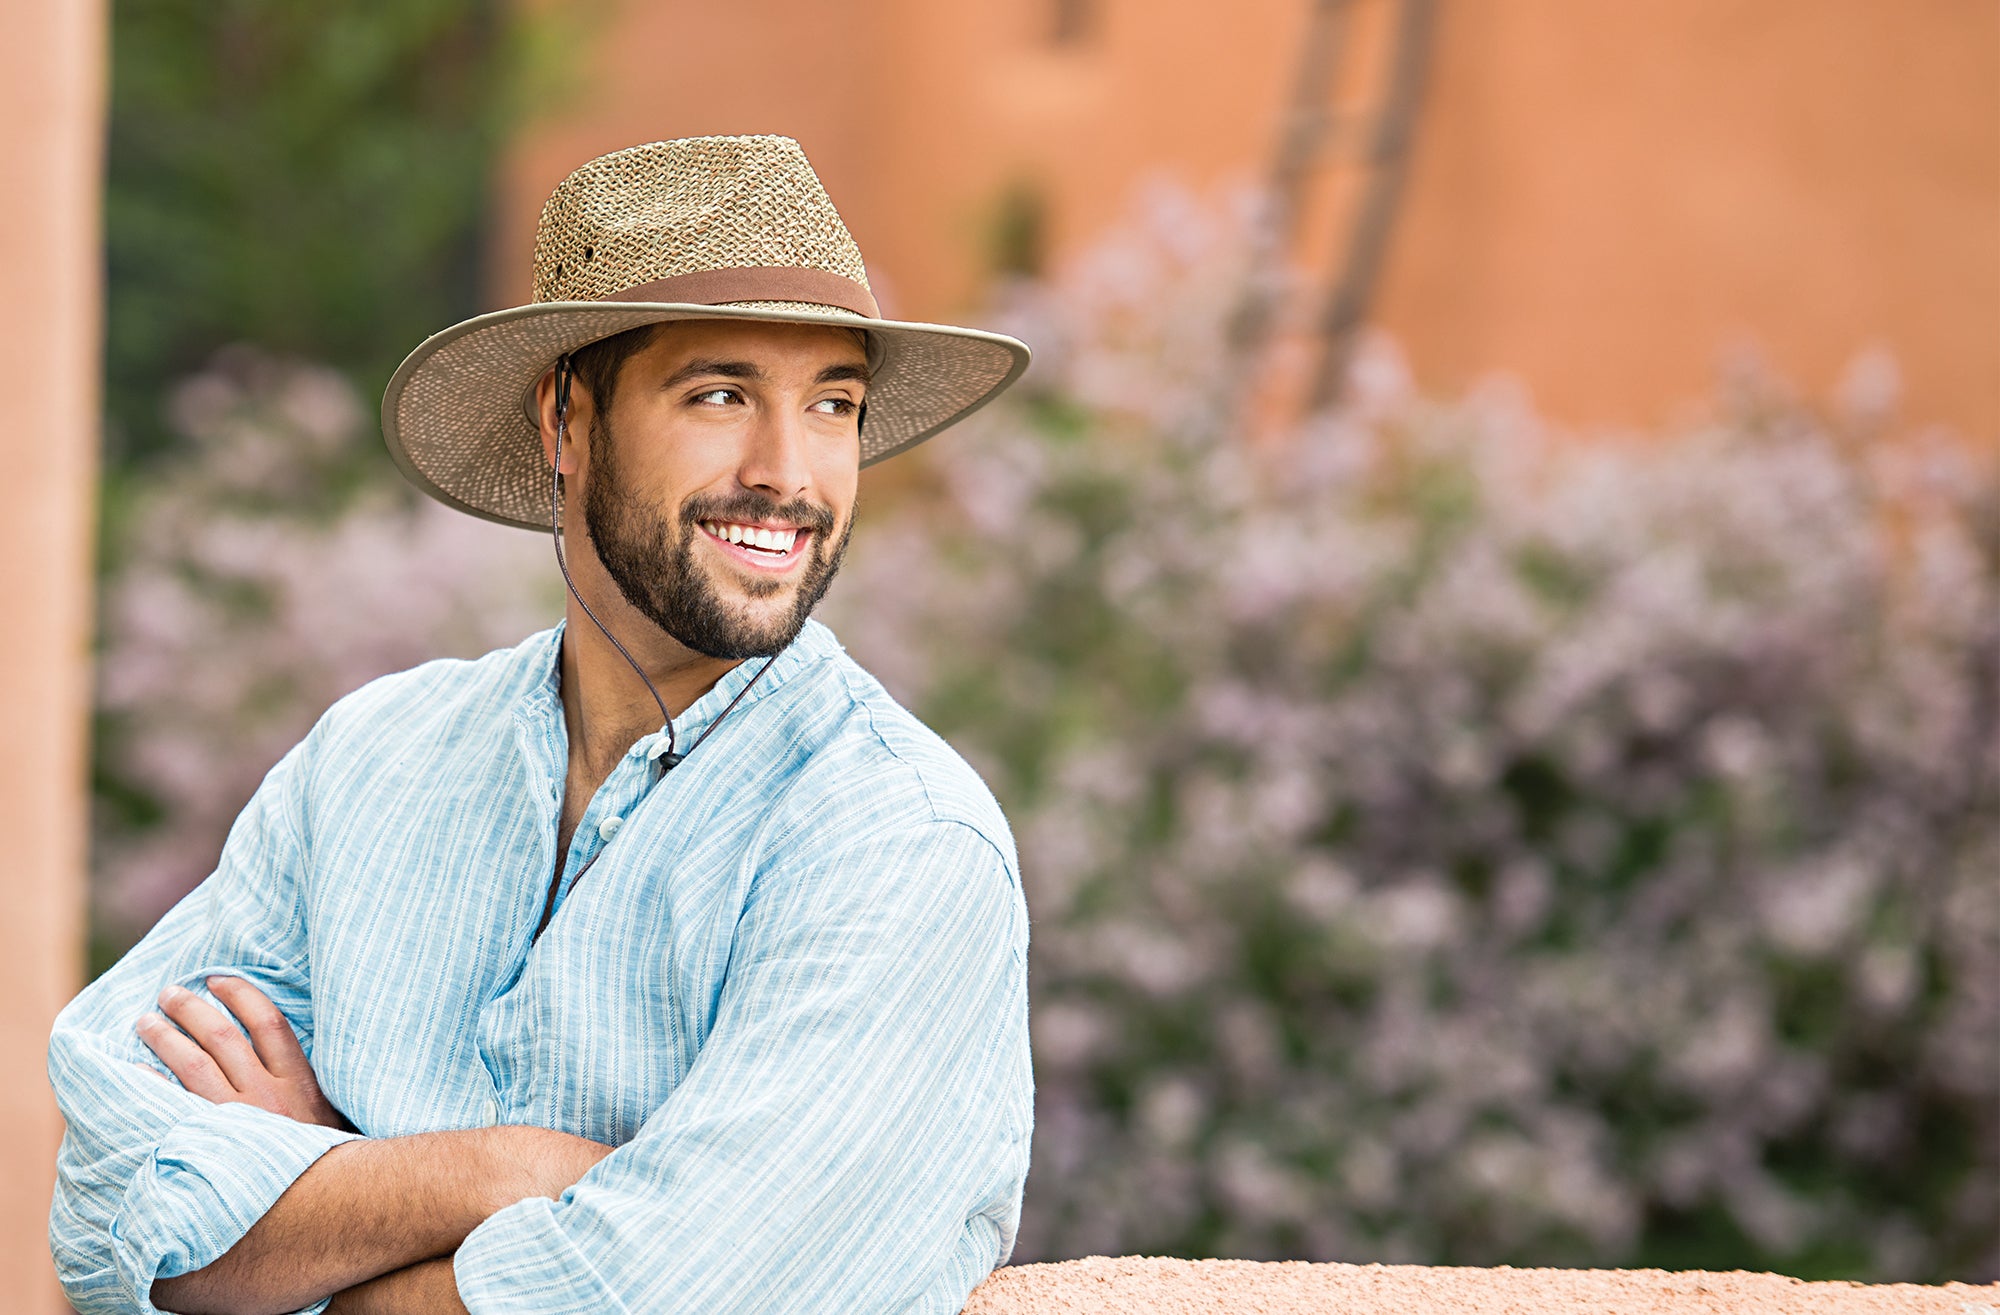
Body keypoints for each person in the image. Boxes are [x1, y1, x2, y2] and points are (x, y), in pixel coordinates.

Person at [48, 135, 1035, 1315]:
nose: (789, 472)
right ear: (565, 421)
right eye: (720, 394)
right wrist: (508, 1171)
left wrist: (318, 1206)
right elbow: (111, 1209)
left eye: (833, 405)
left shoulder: (898, 843)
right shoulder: (370, 761)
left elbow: (671, 1296)